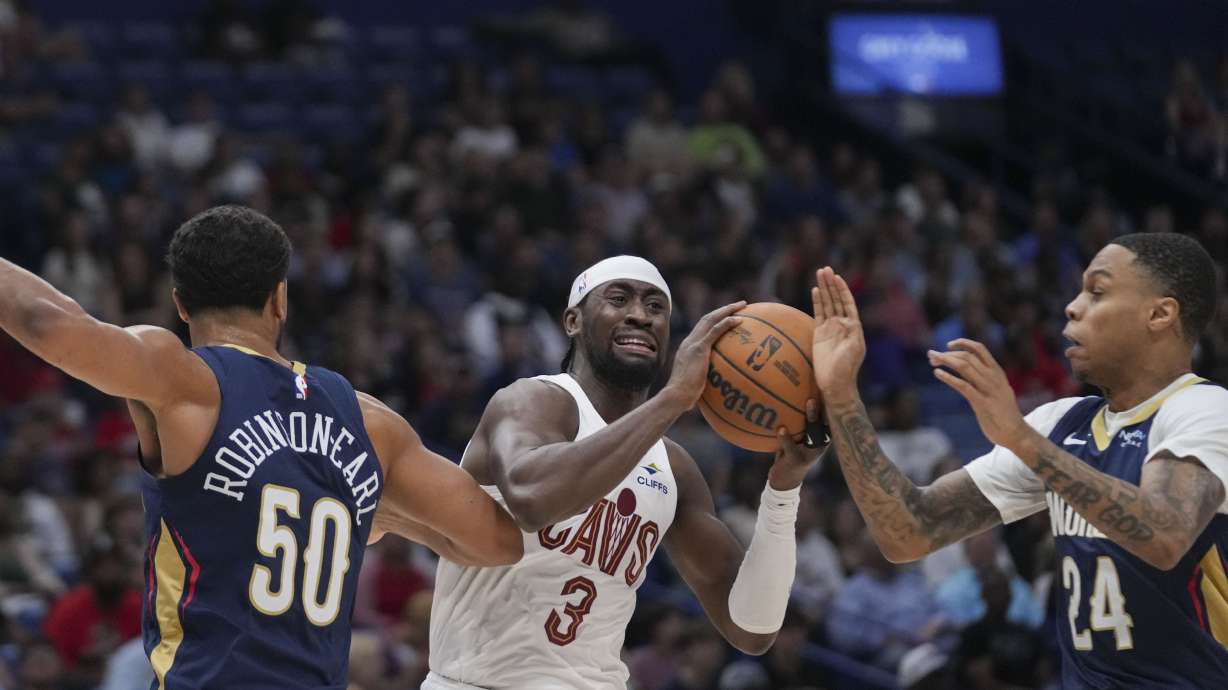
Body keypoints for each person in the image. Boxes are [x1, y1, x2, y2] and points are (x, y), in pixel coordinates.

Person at [0, 205, 523, 687]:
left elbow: (47, 321)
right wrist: (371, 512)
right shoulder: (369, 420)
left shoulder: (182, 380)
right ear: (280, 298)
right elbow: (496, 542)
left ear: (180, 304)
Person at [809, 231, 1228, 686]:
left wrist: (1021, 438)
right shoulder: (1062, 424)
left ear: (1160, 314)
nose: (1072, 306)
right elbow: (907, 531)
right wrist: (841, 395)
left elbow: (1164, 534)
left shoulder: (1204, 410)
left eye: (1098, 291)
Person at [424, 255, 826, 689]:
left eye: (656, 308)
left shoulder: (672, 467)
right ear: (573, 321)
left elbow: (751, 628)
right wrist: (672, 399)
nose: (640, 315)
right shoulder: (534, 401)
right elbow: (532, 499)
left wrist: (784, 489)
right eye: (619, 299)